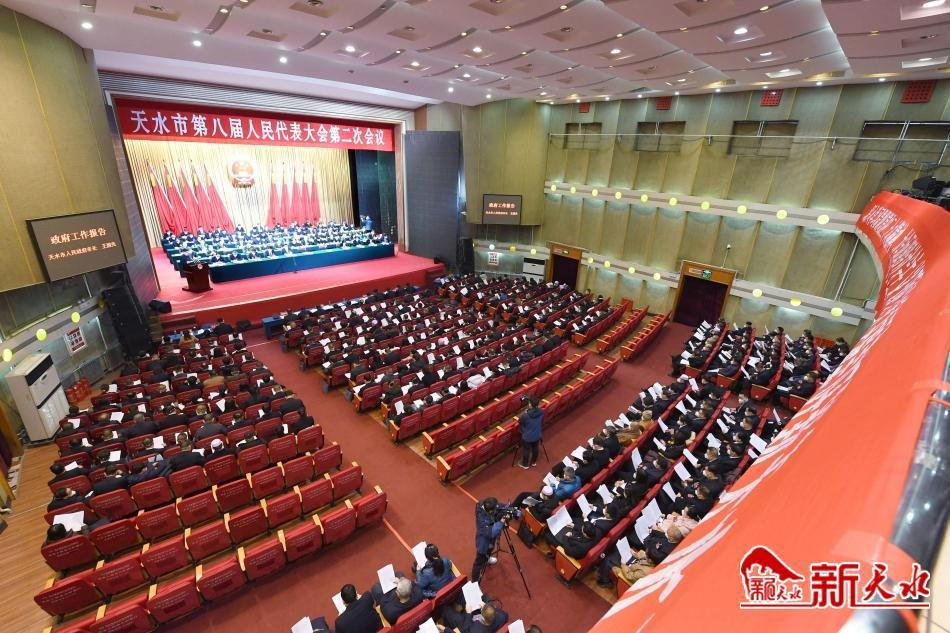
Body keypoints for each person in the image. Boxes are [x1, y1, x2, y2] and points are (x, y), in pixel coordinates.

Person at [471, 497, 512, 582]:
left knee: (490, 549)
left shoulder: (487, 503)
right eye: (494, 510)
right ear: (490, 511)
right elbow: (491, 533)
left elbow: (499, 506)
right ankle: (474, 582)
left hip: (491, 538)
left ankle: (487, 559)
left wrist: (509, 509)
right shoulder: (481, 520)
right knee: (478, 562)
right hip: (483, 541)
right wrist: (502, 521)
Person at [518, 397, 543, 469]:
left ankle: (525, 464)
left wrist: (525, 413)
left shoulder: (526, 415)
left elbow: (520, 421)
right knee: (535, 448)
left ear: (530, 404)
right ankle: (533, 462)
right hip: (537, 434)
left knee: (526, 450)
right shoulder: (541, 411)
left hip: (528, 436)